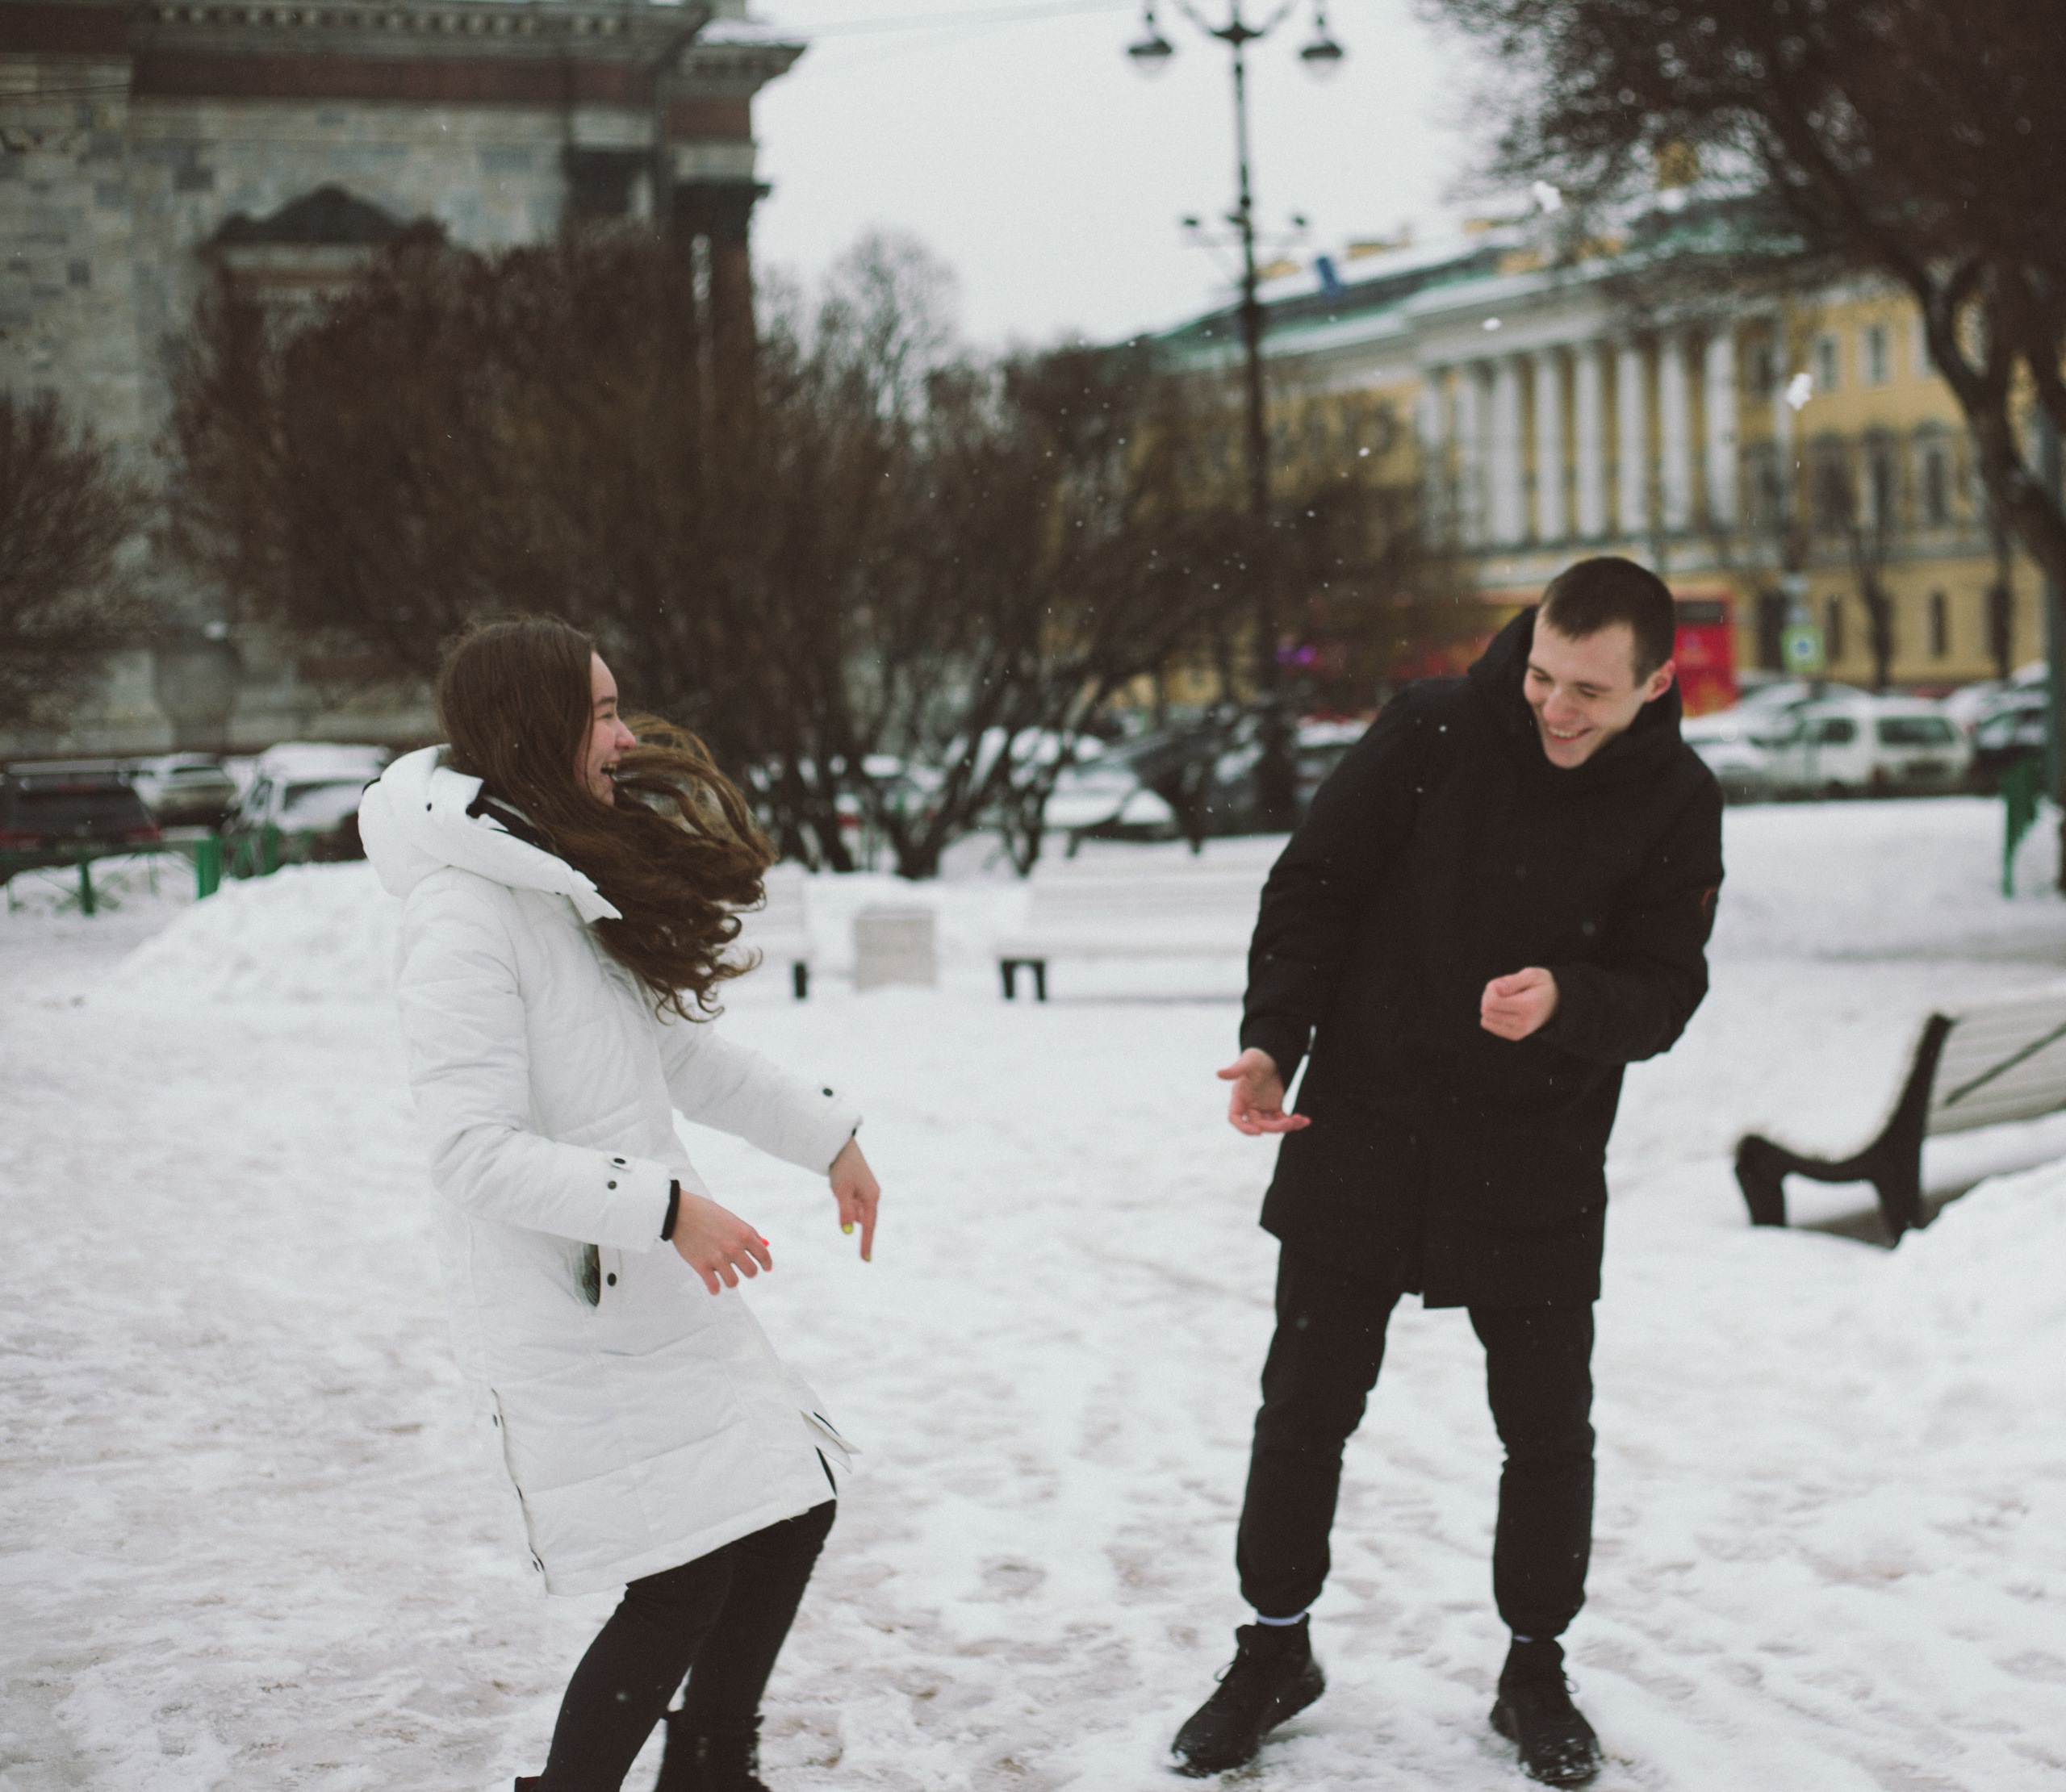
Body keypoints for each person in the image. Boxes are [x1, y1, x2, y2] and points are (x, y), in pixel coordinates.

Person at [1169, 558, 1723, 1787]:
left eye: (1589, 690)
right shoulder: (1431, 728)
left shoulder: (1677, 799)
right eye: (1542, 675)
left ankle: (1535, 1668)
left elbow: (1667, 988)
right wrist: (1273, 1038)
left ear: (1654, 682)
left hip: (1536, 1149)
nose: (1555, 707)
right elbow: (1313, 886)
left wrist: (1570, 999)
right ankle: (1273, 1647)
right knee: (1304, 1407)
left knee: (1547, 1429)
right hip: (1364, 1123)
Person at [358, 615, 880, 1792]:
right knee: (685, 1574)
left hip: (644, 1288)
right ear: (534, 726)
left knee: (790, 1506)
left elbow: (674, 1053)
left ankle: (710, 1767)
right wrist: (664, 1206)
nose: (626, 736)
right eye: (600, 712)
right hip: (573, 1305)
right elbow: (469, 1150)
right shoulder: (463, 912)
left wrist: (827, 1137)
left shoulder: (552, 875)